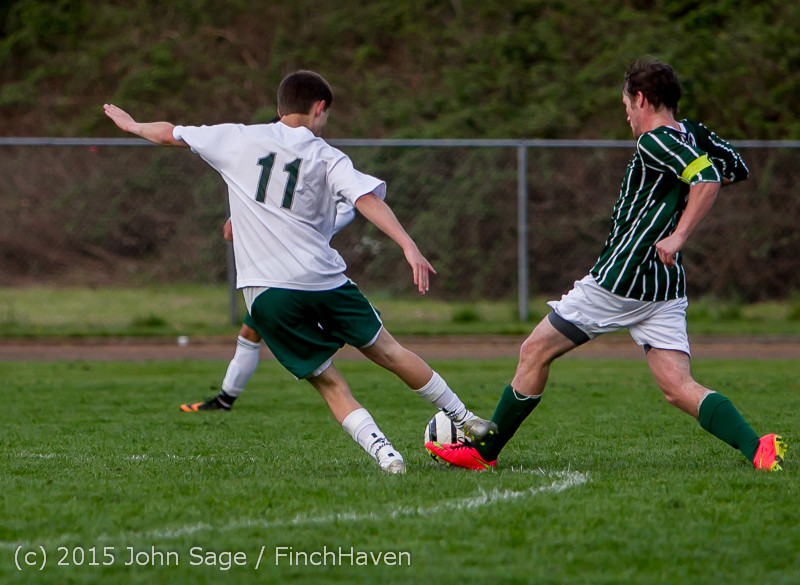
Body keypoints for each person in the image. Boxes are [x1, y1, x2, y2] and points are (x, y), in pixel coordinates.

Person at [104, 70, 496, 474]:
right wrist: (407, 244)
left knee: (328, 382)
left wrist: (132, 125)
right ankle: (466, 419)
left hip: (267, 290)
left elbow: (168, 134)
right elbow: (364, 198)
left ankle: (386, 454)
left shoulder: (237, 137)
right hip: (322, 278)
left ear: (278, 108)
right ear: (319, 108)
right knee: (390, 352)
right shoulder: (325, 155)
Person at [427, 57, 787, 472]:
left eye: (627, 107)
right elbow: (733, 168)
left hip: (623, 278)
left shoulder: (655, 140)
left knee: (534, 351)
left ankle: (483, 453)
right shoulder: (692, 134)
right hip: (663, 287)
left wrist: (678, 232)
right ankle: (757, 448)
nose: (628, 117)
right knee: (677, 387)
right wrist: (679, 195)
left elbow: (705, 178)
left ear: (641, 99)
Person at [180, 203, 356, 413]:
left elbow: (347, 208)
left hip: (299, 276)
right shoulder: (275, 188)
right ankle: (224, 400)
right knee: (249, 332)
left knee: (369, 348)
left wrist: (309, 231)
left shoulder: (317, 182)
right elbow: (230, 231)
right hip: (279, 275)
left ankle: (335, 334)